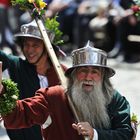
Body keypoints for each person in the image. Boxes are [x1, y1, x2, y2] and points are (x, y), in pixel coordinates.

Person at [0, 41, 134, 140]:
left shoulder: (114, 99)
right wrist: (1, 91)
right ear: (74, 75)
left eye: (94, 72)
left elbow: (125, 134)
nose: (88, 77)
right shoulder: (53, 96)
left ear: (103, 77)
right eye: (83, 71)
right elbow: (19, 114)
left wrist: (95, 134)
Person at [0, 20, 67, 140]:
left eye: (35, 45)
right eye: (26, 44)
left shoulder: (63, 74)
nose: (29, 50)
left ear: (47, 48)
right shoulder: (17, 66)